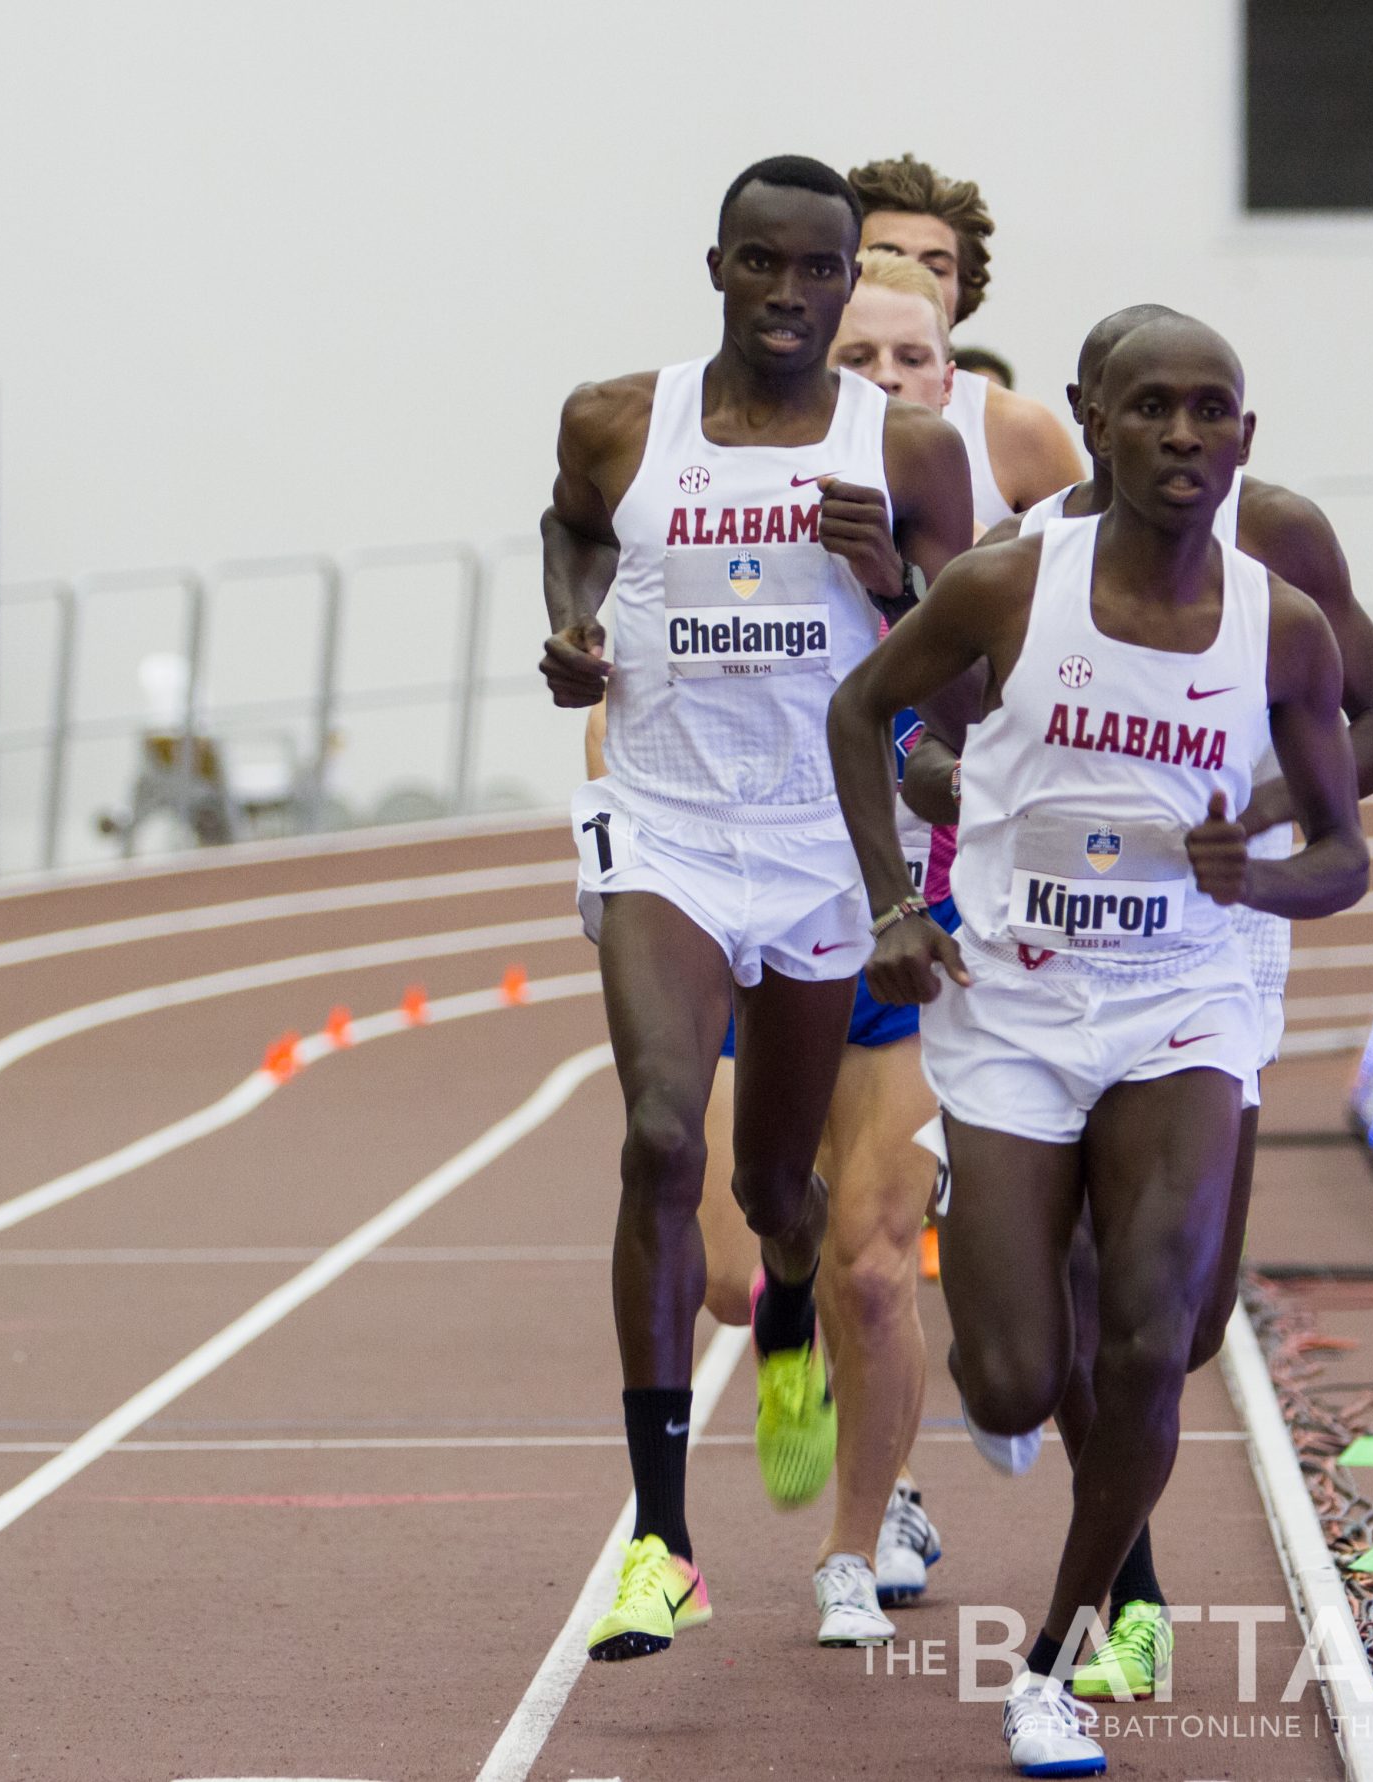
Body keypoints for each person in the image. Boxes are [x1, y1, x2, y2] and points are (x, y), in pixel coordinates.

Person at [828, 314, 1369, 1775]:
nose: (1186, 436)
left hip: (1184, 999)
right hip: (1012, 1000)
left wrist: (1255, 868)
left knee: (1155, 1338)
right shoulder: (1012, 582)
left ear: (1245, 437)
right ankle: (1016, 1331)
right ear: (1099, 426)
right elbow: (867, 710)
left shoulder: (1285, 625)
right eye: (1154, 411)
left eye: (1214, 412)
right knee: (1012, 1377)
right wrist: (900, 892)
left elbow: (1346, 850)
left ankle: (1054, 1662)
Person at [540, 155, 972, 1664]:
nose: (790, 296)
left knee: (782, 1191)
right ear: (716, 265)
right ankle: (663, 1539)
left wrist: (896, 582)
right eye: (762, 266)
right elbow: (572, 527)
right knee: (663, 1138)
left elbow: (964, 684)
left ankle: (788, 1298)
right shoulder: (618, 417)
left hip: (817, 845)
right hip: (663, 826)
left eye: (820, 272)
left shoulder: (907, 451)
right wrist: (573, 632)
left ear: (850, 280)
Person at [845, 155, 1081, 529]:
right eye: (885, 257)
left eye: (935, 267)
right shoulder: (790, 416)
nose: (910, 278)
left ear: (962, 285)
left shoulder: (1024, 429)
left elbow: (1083, 571)